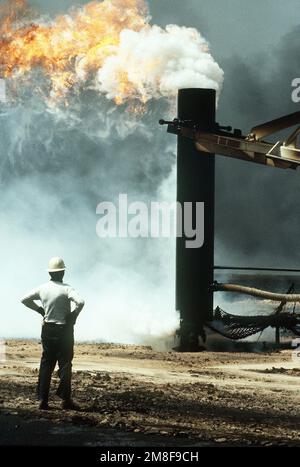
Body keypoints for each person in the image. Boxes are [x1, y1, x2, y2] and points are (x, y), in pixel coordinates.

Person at [21, 257, 85, 411]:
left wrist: (40, 310)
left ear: (49, 272)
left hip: (48, 330)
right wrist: (74, 315)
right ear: (62, 272)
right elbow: (81, 302)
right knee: (65, 364)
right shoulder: (67, 288)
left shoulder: (42, 288)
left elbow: (24, 299)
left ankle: (42, 400)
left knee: (46, 365)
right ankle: (65, 400)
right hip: (64, 330)